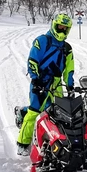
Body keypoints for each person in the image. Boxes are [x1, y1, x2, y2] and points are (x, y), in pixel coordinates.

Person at [16, 13, 75, 156]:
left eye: (65, 28)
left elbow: (69, 69)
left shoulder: (67, 48)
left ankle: (57, 142)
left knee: (58, 112)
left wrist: (70, 85)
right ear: (54, 25)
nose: (61, 30)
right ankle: (23, 143)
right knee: (35, 111)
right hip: (41, 80)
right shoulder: (43, 41)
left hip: (56, 82)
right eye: (59, 27)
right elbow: (32, 60)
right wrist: (35, 79)